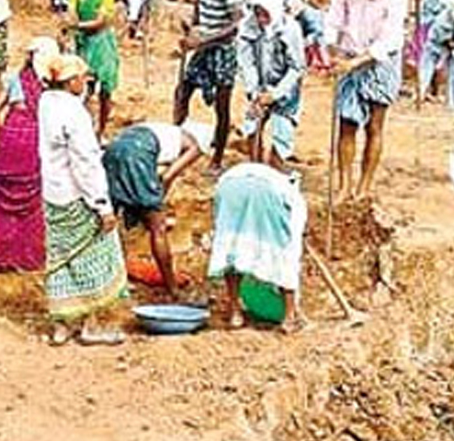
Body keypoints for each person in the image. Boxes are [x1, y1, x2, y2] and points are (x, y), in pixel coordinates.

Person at [38, 54, 127, 346]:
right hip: (78, 195)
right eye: (82, 78)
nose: (86, 83)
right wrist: (102, 205)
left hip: (53, 194)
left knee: (60, 258)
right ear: (72, 81)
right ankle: (90, 324)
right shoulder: (75, 114)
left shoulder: (46, 103)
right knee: (97, 254)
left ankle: (61, 326)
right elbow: (85, 162)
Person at [324, 0, 409, 201]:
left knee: (374, 125)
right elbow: (333, 22)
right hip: (350, 56)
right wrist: (332, 52)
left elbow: (389, 40)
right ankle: (344, 185)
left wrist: (354, 63)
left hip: (381, 62)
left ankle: (365, 185)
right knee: (347, 123)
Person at [102, 120, 212, 298]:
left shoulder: (166, 132)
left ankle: (112, 282)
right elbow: (167, 176)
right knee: (158, 229)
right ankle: (173, 289)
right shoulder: (194, 145)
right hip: (136, 155)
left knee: (111, 224)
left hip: (112, 151)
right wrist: (156, 208)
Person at [174, 0, 246, 173]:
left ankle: (217, 158)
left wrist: (203, 41)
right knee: (182, 91)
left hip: (222, 53)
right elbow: (200, 8)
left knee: (222, 107)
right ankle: (176, 143)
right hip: (203, 47)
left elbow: (237, 25)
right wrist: (191, 28)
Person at [0, 36, 61, 272]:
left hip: (9, 141)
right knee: (31, 203)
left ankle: (0, 258)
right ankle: (25, 259)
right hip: (33, 143)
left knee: (3, 205)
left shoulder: (12, 79)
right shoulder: (50, 86)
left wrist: (3, 135)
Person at [207, 162, 307, 332]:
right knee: (285, 254)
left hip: (228, 188)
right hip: (264, 193)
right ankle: (290, 317)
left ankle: (235, 313)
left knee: (231, 248)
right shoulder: (297, 202)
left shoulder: (275, 180)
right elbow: (291, 250)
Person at [237, 0, 306, 170]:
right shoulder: (248, 27)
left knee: (281, 139)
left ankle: (276, 173)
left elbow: (296, 68)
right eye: (258, 13)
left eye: (265, 14)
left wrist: (275, 94)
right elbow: (246, 63)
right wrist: (255, 93)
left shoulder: (290, 29)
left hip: (286, 91)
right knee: (252, 130)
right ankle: (255, 170)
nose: (261, 19)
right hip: (259, 88)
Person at [65, 0, 119, 138]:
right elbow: (71, 12)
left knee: (105, 89)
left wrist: (75, 25)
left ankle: (101, 128)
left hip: (101, 44)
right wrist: (72, 24)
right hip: (84, 42)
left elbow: (101, 22)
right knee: (82, 87)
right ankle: (84, 127)